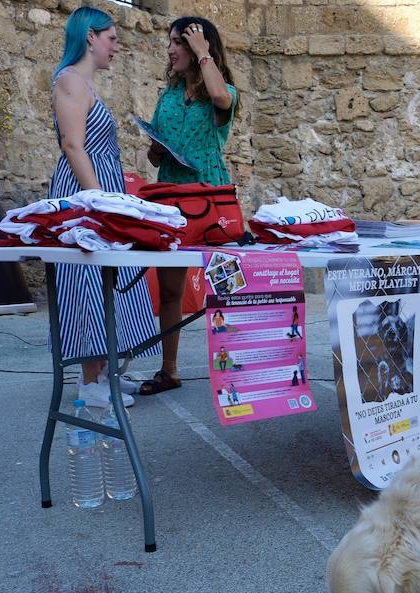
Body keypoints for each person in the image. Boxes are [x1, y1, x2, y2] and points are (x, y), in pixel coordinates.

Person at [49, 6, 156, 409]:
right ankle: (89, 382)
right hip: (86, 194)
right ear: (90, 37)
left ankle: (105, 373)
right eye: (111, 38)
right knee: (90, 282)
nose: (117, 46)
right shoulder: (70, 81)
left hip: (99, 190)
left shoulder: (84, 84)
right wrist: (102, 201)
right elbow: (73, 146)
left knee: (109, 282)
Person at [138, 16, 237, 397]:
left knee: (225, 285)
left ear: (198, 47)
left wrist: (203, 53)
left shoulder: (222, 87)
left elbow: (221, 98)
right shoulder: (166, 96)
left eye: (179, 42)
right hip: (170, 194)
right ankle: (169, 370)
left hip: (209, 196)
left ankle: (238, 363)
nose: (170, 49)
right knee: (170, 290)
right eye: (171, 43)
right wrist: (155, 148)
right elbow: (153, 154)